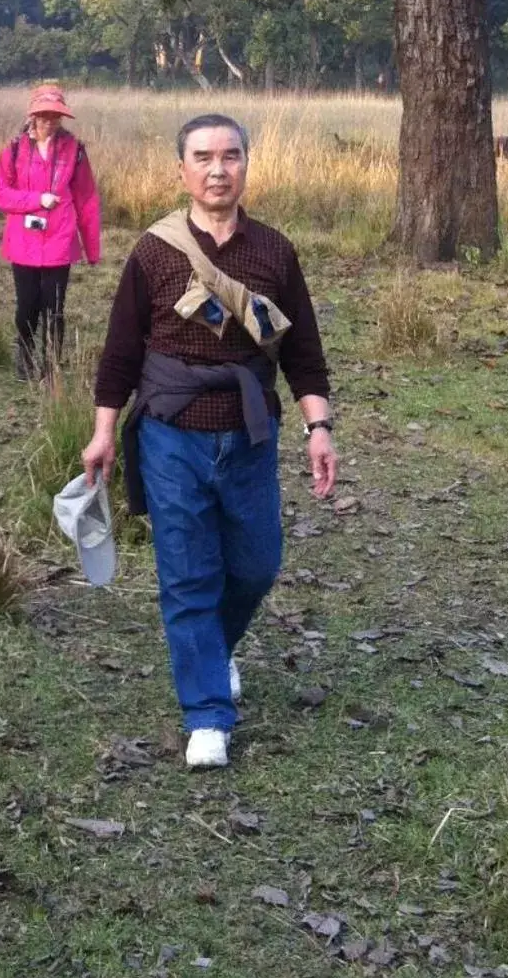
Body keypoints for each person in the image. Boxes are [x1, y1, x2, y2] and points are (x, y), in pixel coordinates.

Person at [80, 113, 337, 771]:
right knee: (189, 574)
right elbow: (119, 352)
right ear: (182, 170)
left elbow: (302, 351)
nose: (217, 169)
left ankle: (212, 651)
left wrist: (318, 427)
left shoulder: (275, 252)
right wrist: (104, 431)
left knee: (255, 564)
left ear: (247, 164)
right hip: (170, 435)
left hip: (249, 433)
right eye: (203, 157)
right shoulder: (153, 251)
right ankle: (207, 716)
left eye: (230, 156)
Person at [0, 83, 101, 381]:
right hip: (23, 240)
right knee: (27, 305)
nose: (49, 121)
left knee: (54, 306)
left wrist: (92, 249)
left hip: (59, 239)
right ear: (33, 115)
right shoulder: (14, 150)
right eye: (43, 114)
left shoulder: (74, 150)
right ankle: (24, 359)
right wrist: (35, 200)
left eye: (55, 115)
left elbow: (87, 198)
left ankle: (51, 367)